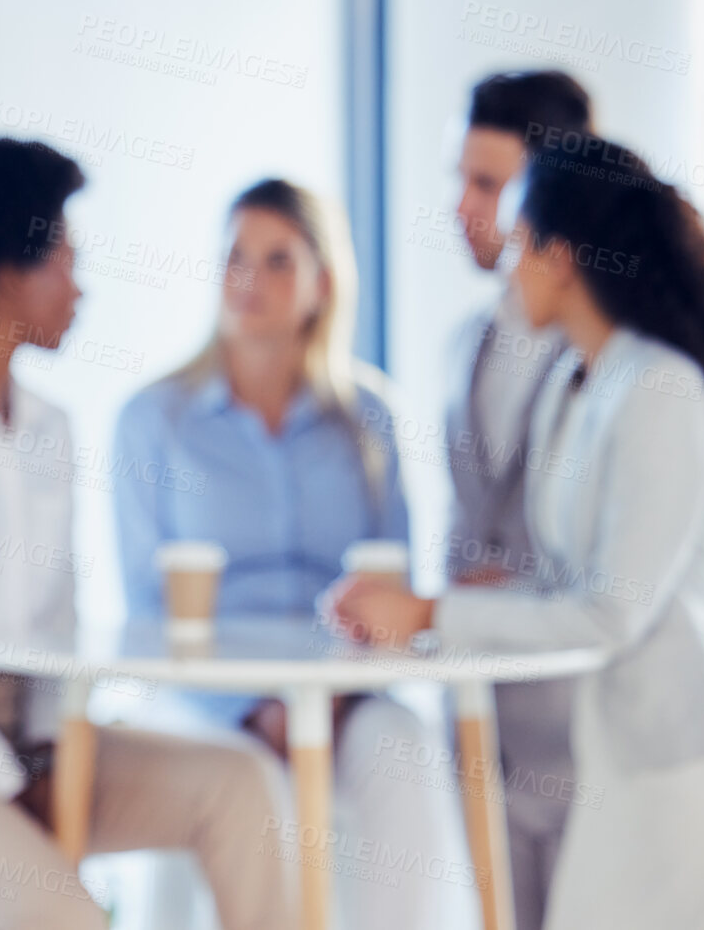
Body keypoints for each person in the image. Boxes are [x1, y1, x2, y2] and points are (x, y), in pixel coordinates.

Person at [334, 134, 704, 930]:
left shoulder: (660, 388)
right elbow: (572, 579)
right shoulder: (575, 381)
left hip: (700, 781)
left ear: (560, 257)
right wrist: (454, 600)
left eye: (520, 241)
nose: (507, 262)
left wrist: (429, 615)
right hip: (623, 777)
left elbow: (610, 612)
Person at [0, 139, 295, 930]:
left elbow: (58, 624)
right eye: (64, 261)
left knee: (242, 788)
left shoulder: (52, 428)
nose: (79, 288)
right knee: (71, 919)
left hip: (27, 733)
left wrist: (54, 749)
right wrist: (13, 784)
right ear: (5, 271)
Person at [113, 178, 459, 928]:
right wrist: (248, 707)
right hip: (202, 696)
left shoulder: (370, 422)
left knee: (406, 753)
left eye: (277, 260)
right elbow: (143, 607)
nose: (249, 280)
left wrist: (331, 695)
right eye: (235, 257)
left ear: (321, 284)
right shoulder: (153, 421)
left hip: (343, 691)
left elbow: (392, 592)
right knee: (247, 784)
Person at [443, 69, 593, 929]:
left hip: (581, 728)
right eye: (460, 179)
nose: (463, 205)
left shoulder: (605, 359)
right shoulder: (463, 344)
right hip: (479, 722)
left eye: (487, 185)